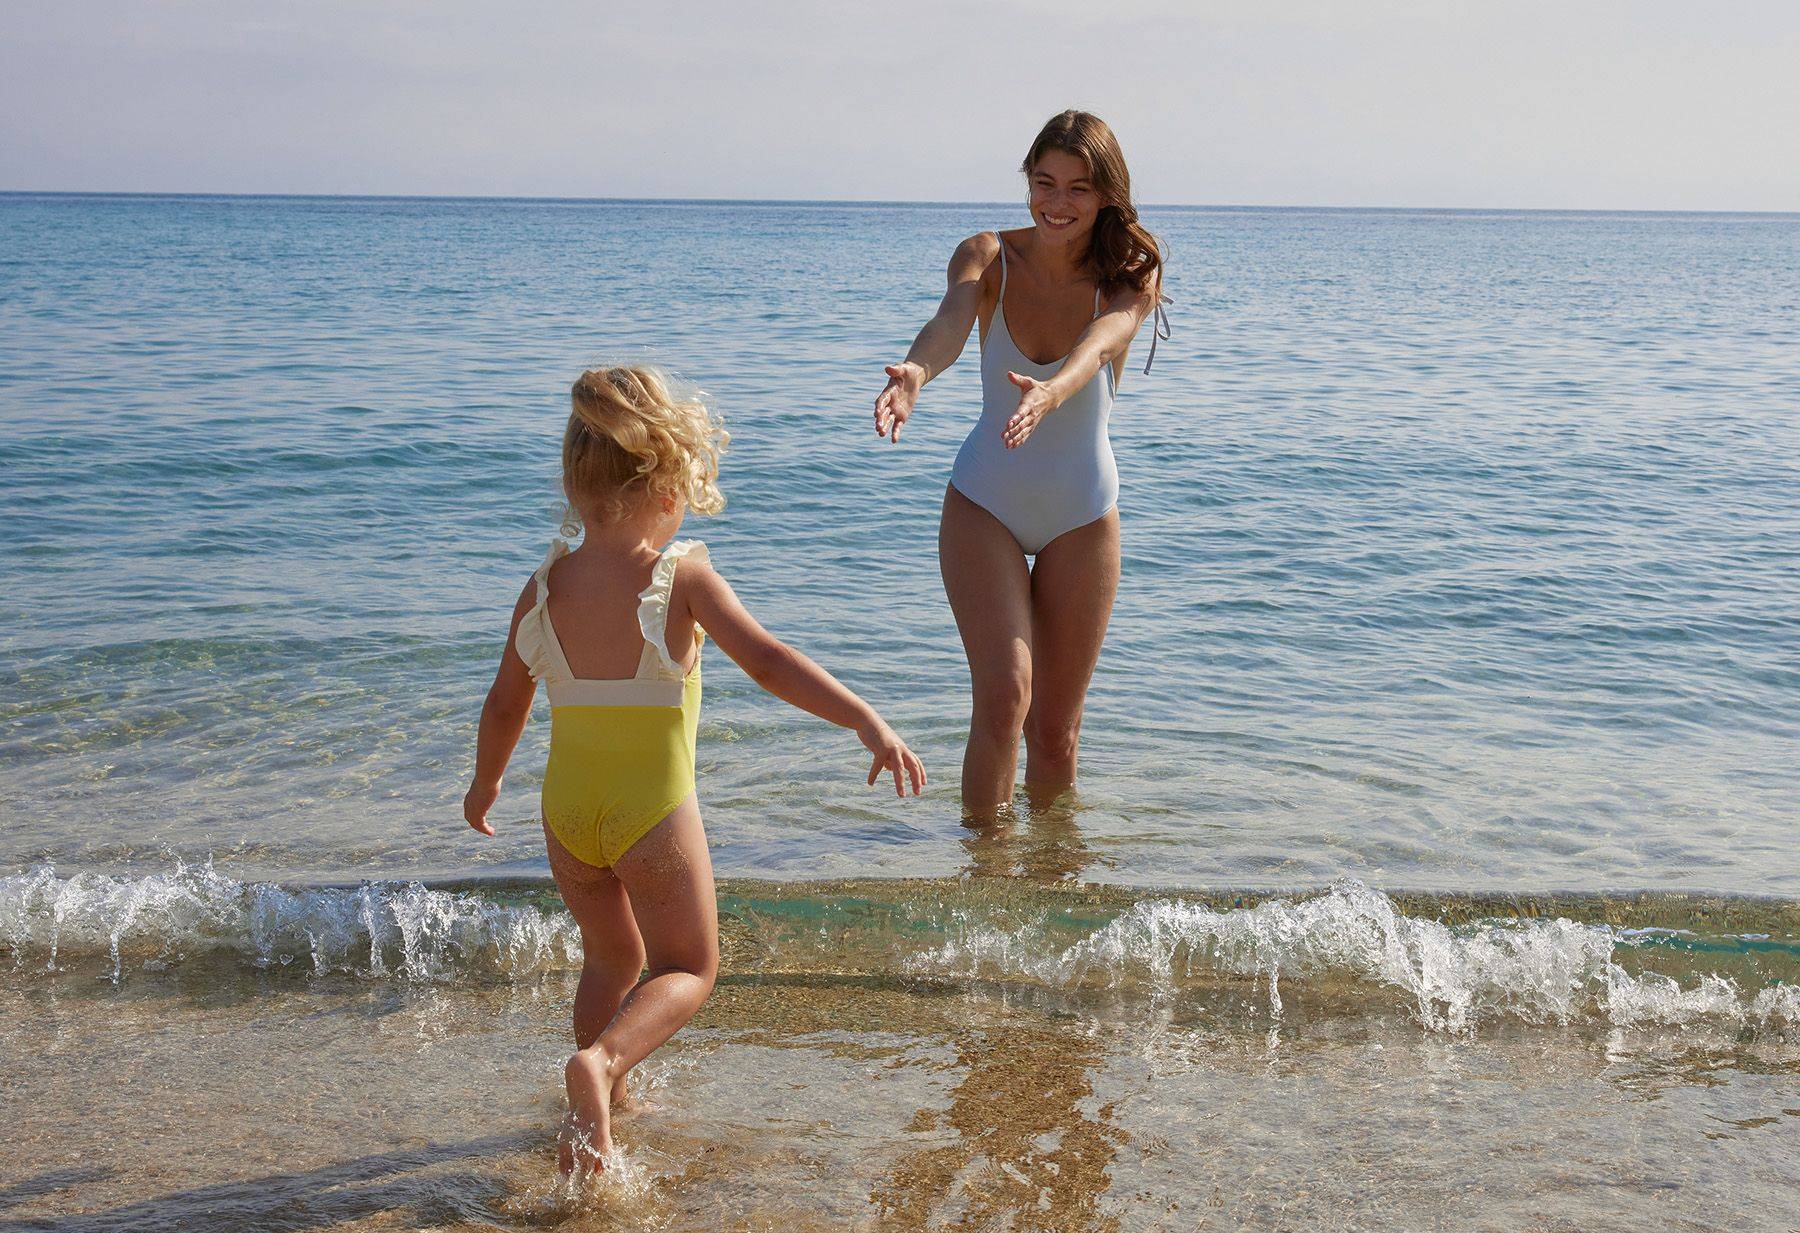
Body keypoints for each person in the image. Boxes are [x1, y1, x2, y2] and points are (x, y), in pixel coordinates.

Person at [463, 365, 925, 1173]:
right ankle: (601, 1067)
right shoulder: (682, 576)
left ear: (576, 485)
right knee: (689, 965)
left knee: (610, 957)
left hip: (566, 811)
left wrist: (484, 783)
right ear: (671, 482)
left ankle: (604, 1110)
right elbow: (771, 661)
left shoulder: (542, 588)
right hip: (651, 810)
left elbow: (505, 703)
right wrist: (864, 718)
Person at [872, 110, 1168, 818]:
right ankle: (984, 878)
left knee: (1056, 734)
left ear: (1105, 197)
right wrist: (915, 371)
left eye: (1078, 189)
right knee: (1005, 698)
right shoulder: (987, 256)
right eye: (1044, 183)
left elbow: (1102, 341)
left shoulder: (1129, 276)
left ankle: (1050, 887)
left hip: (1082, 516)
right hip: (985, 505)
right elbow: (951, 319)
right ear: (1027, 182)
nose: (1058, 203)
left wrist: (1056, 389)